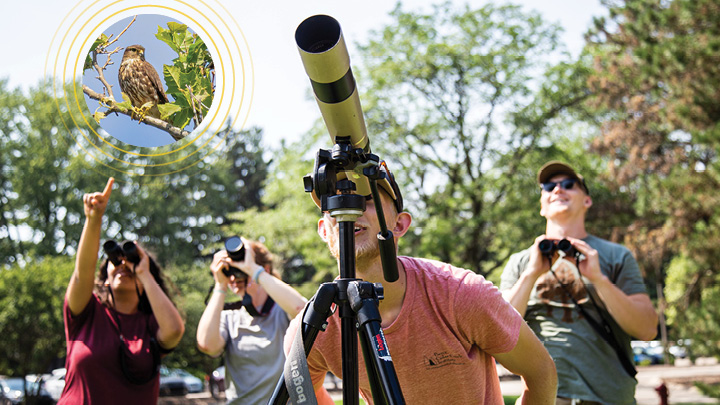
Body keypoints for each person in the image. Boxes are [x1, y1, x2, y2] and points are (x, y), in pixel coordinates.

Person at [286, 161, 558, 404]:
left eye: (366, 200)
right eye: (336, 204)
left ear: (400, 224)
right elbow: (304, 395)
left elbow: (540, 372)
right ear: (324, 230)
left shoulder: (461, 292)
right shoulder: (314, 326)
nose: (349, 212)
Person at [500, 161, 659, 404]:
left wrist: (599, 279)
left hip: (608, 397)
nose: (558, 190)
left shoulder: (616, 256)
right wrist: (530, 275)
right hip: (545, 397)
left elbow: (647, 330)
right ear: (541, 205)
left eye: (568, 184)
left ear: (587, 200)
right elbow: (499, 331)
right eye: (549, 186)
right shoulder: (521, 262)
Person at [59, 178, 185, 404]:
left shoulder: (150, 324)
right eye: (115, 261)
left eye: (130, 263)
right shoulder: (86, 313)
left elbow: (174, 331)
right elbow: (82, 273)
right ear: (104, 277)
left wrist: (144, 272)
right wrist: (94, 219)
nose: (122, 265)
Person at [196, 237, 307, 405]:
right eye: (232, 269)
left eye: (242, 268)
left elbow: (302, 310)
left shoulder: (282, 309)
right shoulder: (228, 315)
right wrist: (220, 285)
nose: (236, 275)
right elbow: (207, 345)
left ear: (265, 270)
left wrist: (254, 270)